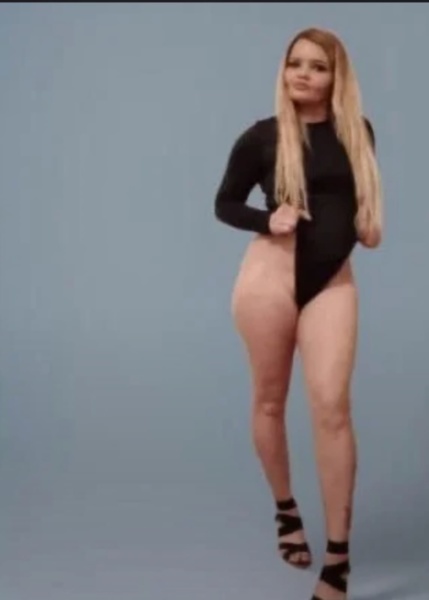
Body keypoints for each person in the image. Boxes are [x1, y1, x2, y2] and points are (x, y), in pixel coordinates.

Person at [213, 27, 383, 600]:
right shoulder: (261, 137)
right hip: (269, 279)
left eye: (318, 66)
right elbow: (224, 203)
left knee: (332, 408)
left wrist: (369, 223)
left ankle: (338, 557)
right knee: (269, 400)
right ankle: (286, 509)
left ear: (337, 77)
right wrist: (268, 219)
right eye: (295, 63)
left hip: (331, 282)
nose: (303, 74)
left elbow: (358, 198)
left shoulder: (358, 131)